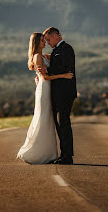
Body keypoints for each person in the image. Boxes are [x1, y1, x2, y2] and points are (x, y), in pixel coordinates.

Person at [17, 32, 73, 164]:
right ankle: (36, 152)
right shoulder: (37, 56)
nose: (45, 42)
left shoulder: (44, 56)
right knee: (42, 119)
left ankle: (49, 153)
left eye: (46, 39)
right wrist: (63, 76)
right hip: (44, 90)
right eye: (43, 40)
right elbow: (45, 77)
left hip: (49, 90)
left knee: (48, 121)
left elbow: (52, 64)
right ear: (37, 42)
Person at [38, 27, 77, 165]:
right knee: (59, 124)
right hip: (56, 94)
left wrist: (47, 70)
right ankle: (63, 154)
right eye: (46, 40)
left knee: (64, 123)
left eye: (48, 39)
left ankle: (67, 156)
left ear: (57, 35)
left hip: (65, 93)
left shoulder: (67, 49)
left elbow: (65, 69)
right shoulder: (55, 51)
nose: (47, 42)